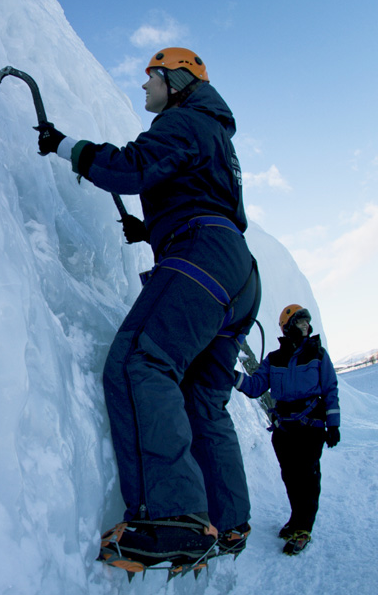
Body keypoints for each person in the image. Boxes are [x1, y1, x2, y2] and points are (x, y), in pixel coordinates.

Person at [36, 47, 261, 570]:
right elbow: (199, 191)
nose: (144, 88)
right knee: (203, 403)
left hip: (201, 254)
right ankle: (228, 525)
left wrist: (69, 147)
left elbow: (133, 167)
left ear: (176, 80)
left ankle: (172, 520)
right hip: (237, 274)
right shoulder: (214, 134)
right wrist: (152, 228)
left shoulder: (185, 119)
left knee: (142, 360)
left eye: (152, 77)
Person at [234, 304, 340, 555]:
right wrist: (232, 376)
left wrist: (333, 425)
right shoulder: (274, 359)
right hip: (284, 431)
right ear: (288, 326)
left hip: (310, 427)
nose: (305, 326)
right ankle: (296, 519)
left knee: (307, 477)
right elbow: (255, 386)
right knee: (291, 477)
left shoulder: (318, 355)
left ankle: (303, 528)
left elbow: (330, 389)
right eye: (300, 322)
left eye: (306, 323)